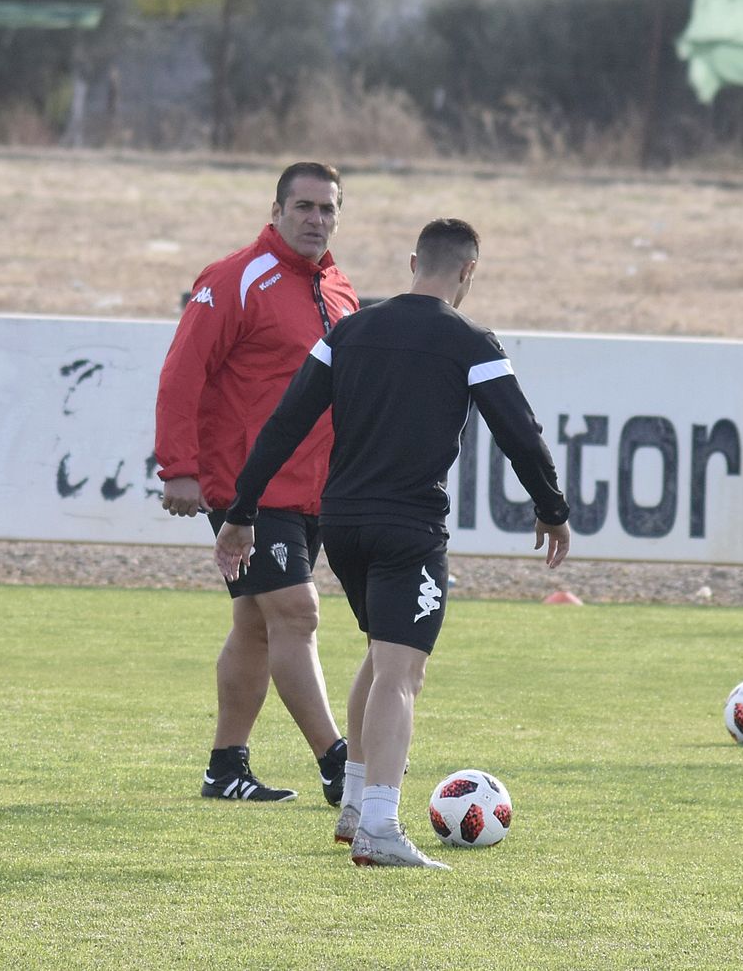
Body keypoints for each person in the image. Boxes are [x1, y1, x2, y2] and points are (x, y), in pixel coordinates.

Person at [215, 218, 570, 868]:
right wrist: (551, 508)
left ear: (414, 262)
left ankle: (353, 807)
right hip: (409, 529)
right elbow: (519, 429)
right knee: (404, 672)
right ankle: (381, 821)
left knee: (383, 661)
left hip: (343, 523)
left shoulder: (349, 331)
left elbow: (285, 423)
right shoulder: (468, 340)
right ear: (468, 271)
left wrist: (241, 510)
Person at [155, 163, 355, 803]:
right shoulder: (233, 278)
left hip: (313, 490)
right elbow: (182, 374)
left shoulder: (340, 289)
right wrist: (179, 468)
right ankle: (337, 761)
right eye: (303, 206)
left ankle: (225, 767)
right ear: (275, 211)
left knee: (257, 622)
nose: (315, 219)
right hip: (249, 489)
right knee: (297, 612)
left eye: (327, 209)